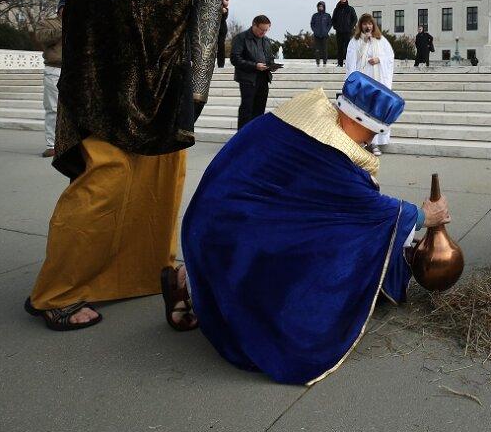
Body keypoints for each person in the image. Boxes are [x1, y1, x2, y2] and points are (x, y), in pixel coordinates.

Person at [24, 0, 229, 331]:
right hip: (110, 97)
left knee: (158, 190)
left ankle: (133, 276)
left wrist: (210, 11)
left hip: (161, 99)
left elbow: (174, 28)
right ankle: (55, 294)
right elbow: (107, 24)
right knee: (103, 190)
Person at [180, 73, 451, 384]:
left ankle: (185, 279)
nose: (371, 141)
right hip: (230, 235)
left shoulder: (303, 120)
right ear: (357, 119)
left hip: (216, 222)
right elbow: (366, 207)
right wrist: (423, 216)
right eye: (373, 131)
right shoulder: (324, 150)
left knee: (335, 225)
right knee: (336, 241)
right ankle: (216, 292)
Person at [345, 13, 395, 156]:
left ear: (373, 25)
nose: (368, 26)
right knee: (361, 111)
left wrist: (379, 59)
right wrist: (364, 43)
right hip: (362, 82)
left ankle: (374, 143)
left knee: (375, 112)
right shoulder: (355, 41)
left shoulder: (381, 40)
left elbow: (390, 57)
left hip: (377, 81)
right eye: (365, 23)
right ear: (361, 25)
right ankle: (360, 141)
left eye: (370, 23)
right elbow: (351, 61)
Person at [231, 15, 276, 129]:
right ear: (254, 25)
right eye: (262, 29)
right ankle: (242, 135)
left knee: (260, 110)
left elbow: (270, 58)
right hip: (248, 79)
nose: (264, 32)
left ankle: (255, 135)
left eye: (266, 30)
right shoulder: (241, 38)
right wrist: (255, 66)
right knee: (247, 109)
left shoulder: (266, 40)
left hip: (263, 78)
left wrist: (272, 65)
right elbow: (235, 59)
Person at [36, 0, 67, 156]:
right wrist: (64, 28)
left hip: (73, 70)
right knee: (53, 109)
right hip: (54, 69)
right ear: (59, 9)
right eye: (65, 6)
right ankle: (52, 144)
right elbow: (42, 37)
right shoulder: (47, 23)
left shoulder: (81, 24)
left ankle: (72, 143)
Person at [331, 0, 357, 67]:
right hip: (339, 31)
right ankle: (340, 63)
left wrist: (350, 27)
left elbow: (355, 19)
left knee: (348, 48)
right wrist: (335, 27)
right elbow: (333, 20)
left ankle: (348, 63)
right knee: (340, 48)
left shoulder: (350, 9)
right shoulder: (336, 9)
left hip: (347, 32)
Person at [310, 2, 332, 66]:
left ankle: (324, 62)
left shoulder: (327, 15)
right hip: (317, 35)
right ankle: (318, 62)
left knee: (325, 50)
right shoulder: (315, 15)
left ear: (324, 7)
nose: (320, 7)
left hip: (324, 35)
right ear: (318, 7)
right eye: (319, 6)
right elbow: (312, 24)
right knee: (317, 50)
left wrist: (326, 31)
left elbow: (330, 24)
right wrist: (315, 31)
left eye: (321, 6)